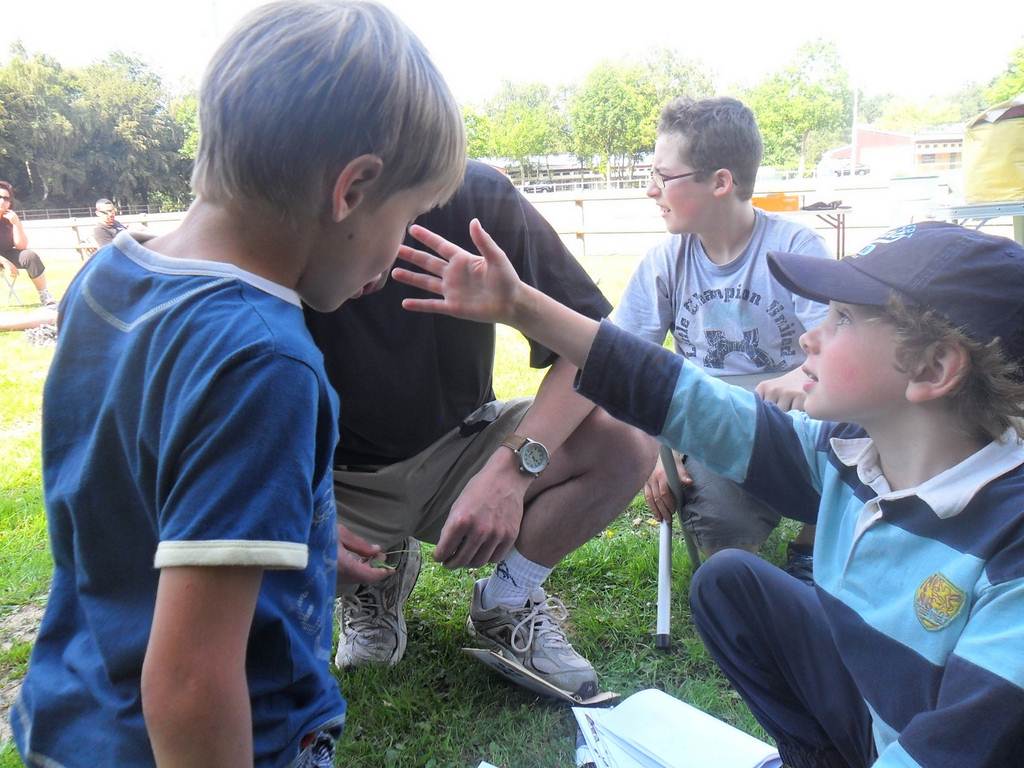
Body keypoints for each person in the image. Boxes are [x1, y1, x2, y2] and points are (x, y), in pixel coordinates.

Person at [10, 2, 465, 766]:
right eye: (407, 217)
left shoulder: (105, 280)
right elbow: (192, 684)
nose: (391, 260)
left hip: (76, 713)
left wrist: (303, 543)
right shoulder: (264, 361)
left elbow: (135, 498)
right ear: (352, 189)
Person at [393, 219, 1024, 768]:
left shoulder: (1010, 552)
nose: (809, 338)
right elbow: (691, 401)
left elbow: (961, 747)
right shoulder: (849, 452)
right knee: (731, 583)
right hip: (883, 710)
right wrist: (522, 307)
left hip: (940, 744)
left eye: (843, 319)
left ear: (933, 369)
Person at [305, 159, 654, 699]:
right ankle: (375, 580)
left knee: (624, 435)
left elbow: (595, 346)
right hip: (330, 476)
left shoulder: (476, 195)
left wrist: (512, 469)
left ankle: (508, 599)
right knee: (242, 570)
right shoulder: (277, 205)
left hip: (460, 444)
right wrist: (299, 513)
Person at [614, 97, 829, 580]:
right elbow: (626, 365)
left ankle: (813, 540)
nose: (651, 189)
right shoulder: (665, 262)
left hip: (800, 429)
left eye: (663, 176)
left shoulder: (794, 248)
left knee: (855, 436)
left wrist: (802, 375)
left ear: (720, 182)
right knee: (727, 562)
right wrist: (652, 448)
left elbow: (840, 349)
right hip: (714, 435)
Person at [0, 180, 56, 307]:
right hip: (2, 259)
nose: (2, 201)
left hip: (6, 253)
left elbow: (21, 246)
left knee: (29, 256)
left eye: (6, 198)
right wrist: (5, 262)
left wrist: (16, 223)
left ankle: (44, 294)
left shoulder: (10, 218)